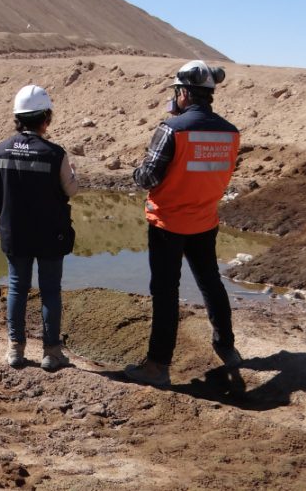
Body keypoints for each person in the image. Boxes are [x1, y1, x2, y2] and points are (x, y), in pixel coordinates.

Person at [124, 60, 242, 387]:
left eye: (177, 91)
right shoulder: (231, 133)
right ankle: (226, 345)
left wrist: (136, 170)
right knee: (211, 282)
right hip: (204, 220)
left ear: (184, 93)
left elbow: (147, 177)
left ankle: (157, 365)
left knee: (165, 292)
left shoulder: (171, 130)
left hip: (168, 223)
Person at [0, 84, 78, 371]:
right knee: (51, 290)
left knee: (17, 287)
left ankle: (15, 349)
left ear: (18, 118)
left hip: (14, 232)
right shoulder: (55, 154)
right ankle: (51, 354)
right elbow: (71, 190)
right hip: (51, 234)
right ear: (45, 118)